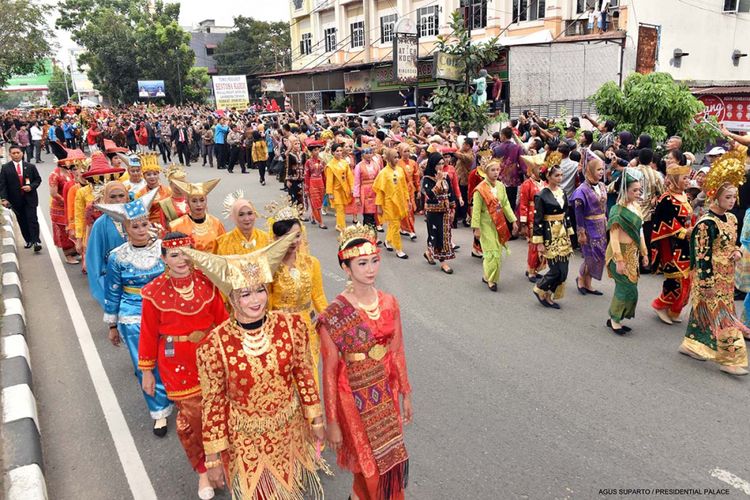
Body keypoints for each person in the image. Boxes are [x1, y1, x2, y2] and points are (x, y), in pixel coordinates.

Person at [188, 233, 329, 499]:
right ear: (231, 297)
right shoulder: (214, 345)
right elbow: (213, 403)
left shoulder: (291, 326)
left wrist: (316, 417)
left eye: (260, 290)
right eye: (245, 294)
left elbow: (304, 373)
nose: (256, 300)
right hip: (245, 440)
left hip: (290, 430)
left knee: (292, 490)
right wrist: (214, 459)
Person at [316, 224, 412, 500]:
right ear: (346, 268)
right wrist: (332, 421)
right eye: (362, 263)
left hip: (386, 390)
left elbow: (397, 351)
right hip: (351, 397)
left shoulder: (390, 302)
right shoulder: (334, 315)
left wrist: (405, 392)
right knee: (370, 465)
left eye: (374, 261)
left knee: (388, 458)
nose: (370, 269)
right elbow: (330, 372)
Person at [139, 232, 229, 499]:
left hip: (211, 356)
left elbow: (223, 321)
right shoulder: (154, 292)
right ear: (164, 258)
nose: (181, 259)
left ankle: (223, 461)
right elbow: (147, 333)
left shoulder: (207, 282)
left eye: (187, 252)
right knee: (193, 418)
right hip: (176, 361)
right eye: (175, 254)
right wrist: (147, 372)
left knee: (221, 412)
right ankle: (204, 471)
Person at [96, 190, 174, 436]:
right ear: (125, 228)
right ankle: (159, 411)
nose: (141, 229)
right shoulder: (118, 257)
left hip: (166, 314)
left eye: (144, 224)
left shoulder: (163, 250)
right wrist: (112, 326)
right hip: (134, 317)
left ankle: (179, 396)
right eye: (135, 226)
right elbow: (113, 291)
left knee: (172, 357)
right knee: (145, 365)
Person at [678, 160, 750, 376]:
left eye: (734, 196)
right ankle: (730, 359)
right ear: (715, 195)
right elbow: (702, 257)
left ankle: (691, 345)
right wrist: (707, 283)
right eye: (727, 197)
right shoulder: (706, 223)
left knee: (702, 312)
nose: (732, 201)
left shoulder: (731, 218)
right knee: (724, 317)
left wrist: (737, 251)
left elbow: (733, 243)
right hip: (709, 279)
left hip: (727, 277)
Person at [266, 201, 328, 389]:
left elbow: (318, 296)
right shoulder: (268, 268)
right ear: (275, 238)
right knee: (284, 381)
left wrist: (331, 323)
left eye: (297, 235)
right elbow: (265, 303)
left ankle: (311, 418)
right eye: (286, 236)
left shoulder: (312, 263)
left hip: (308, 328)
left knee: (309, 378)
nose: (293, 241)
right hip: (278, 330)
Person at [605, 168, 650, 334]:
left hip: (633, 252)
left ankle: (617, 318)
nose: (638, 193)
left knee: (631, 288)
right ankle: (614, 318)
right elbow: (614, 238)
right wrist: (619, 260)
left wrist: (644, 254)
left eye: (640, 190)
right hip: (619, 254)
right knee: (625, 288)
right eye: (635, 190)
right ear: (625, 190)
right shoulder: (616, 210)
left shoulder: (636, 208)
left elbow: (640, 232)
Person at [650, 159, 693, 325]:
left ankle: (674, 309)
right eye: (684, 178)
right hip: (671, 246)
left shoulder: (683, 196)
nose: (687, 181)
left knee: (686, 280)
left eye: (687, 178)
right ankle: (660, 305)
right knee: (675, 281)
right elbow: (663, 222)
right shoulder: (666, 199)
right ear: (674, 180)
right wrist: (683, 232)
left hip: (686, 244)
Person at [532, 164, 575, 309]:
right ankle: (540, 288)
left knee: (564, 271)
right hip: (549, 234)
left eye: (561, 175)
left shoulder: (562, 192)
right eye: (557, 175)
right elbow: (537, 220)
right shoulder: (541, 195)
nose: (560, 178)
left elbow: (566, 214)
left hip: (562, 234)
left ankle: (548, 293)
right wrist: (539, 242)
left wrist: (569, 233)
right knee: (556, 269)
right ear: (548, 177)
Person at [472, 159, 518, 291]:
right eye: (493, 170)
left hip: (499, 222)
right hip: (485, 223)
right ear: (486, 172)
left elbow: (506, 204)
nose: (496, 172)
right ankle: (491, 279)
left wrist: (513, 220)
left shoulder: (500, 186)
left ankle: (488, 275)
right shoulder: (480, 189)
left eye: (498, 170)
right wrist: (476, 228)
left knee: (498, 251)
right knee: (491, 252)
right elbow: (476, 210)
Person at [570, 154, 608, 295]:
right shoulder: (581, 191)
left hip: (602, 226)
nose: (601, 172)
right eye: (598, 169)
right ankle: (581, 278)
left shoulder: (602, 186)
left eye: (602, 169)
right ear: (590, 170)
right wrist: (581, 232)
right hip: (589, 227)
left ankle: (588, 282)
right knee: (590, 256)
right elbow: (578, 215)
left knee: (599, 256)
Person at [0, 145, 43, 252]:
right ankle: (28, 240)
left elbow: (38, 180)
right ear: (10, 155)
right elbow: (2, 185)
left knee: (32, 219)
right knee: (22, 220)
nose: (16, 155)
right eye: (13, 153)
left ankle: (36, 241)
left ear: (22, 153)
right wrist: (4, 199)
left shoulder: (30, 166)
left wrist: (31, 187)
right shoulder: (5, 168)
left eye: (17, 152)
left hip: (30, 198)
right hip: (15, 200)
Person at [422, 152, 456, 274]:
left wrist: (453, 208)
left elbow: (451, 193)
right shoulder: (427, 179)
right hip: (433, 212)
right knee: (436, 236)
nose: (441, 166)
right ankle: (443, 262)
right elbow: (430, 195)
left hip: (445, 211)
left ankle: (428, 253)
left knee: (445, 235)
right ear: (432, 165)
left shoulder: (446, 177)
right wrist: (438, 181)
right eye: (438, 164)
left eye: (442, 163)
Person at [49, 146, 85, 264]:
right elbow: (54, 193)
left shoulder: (69, 172)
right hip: (60, 208)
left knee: (74, 227)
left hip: (72, 205)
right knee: (65, 232)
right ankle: (68, 255)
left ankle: (74, 251)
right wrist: (68, 202)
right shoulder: (54, 175)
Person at [169, 179, 225, 253]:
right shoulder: (176, 226)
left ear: (206, 201)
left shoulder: (216, 223)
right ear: (187, 202)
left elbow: (224, 247)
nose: (199, 205)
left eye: (202, 200)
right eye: (194, 201)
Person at [374, 148, 410, 259]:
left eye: (397, 157)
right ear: (389, 158)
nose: (397, 159)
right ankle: (398, 249)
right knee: (395, 225)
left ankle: (388, 241)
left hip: (400, 201)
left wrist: (407, 200)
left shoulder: (400, 170)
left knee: (394, 224)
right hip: (389, 203)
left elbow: (404, 187)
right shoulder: (383, 173)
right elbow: (380, 191)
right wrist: (379, 206)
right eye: (395, 157)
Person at [518, 153, 546, 282]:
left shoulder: (544, 183)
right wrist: (523, 223)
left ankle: (535, 268)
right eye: (538, 167)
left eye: (541, 167)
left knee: (541, 244)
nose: (541, 170)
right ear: (532, 169)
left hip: (543, 217)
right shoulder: (527, 184)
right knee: (534, 245)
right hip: (532, 217)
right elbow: (523, 204)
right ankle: (531, 271)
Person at [134, 154, 171, 227]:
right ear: (144, 176)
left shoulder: (168, 191)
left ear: (158, 175)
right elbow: (138, 215)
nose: (152, 177)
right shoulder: (140, 194)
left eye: (155, 174)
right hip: (150, 226)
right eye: (148, 174)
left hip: (167, 224)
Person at [326, 143, 355, 232]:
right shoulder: (330, 165)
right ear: (332, 152)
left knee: (343, 207)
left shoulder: (344, 163)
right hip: (336, 190)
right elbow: (329, 180)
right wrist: (330, 193)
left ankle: (339, 224)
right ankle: (342, 226)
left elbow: (349, 176)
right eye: (337, 151)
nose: (339, 153)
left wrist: (352, 187)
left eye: (340, 151)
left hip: (344, 189)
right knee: (340, 208)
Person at [354, 146, 382, 233]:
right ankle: (370, 234)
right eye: (366, 153)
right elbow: (357, 182)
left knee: (374, 213)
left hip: (375, 190)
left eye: (370, 153)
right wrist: (357, 196)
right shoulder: (359, 166)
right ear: (362, 155)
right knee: (367, 214)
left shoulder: (376, 164)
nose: (369, 155)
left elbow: (379, 178)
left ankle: (370, 234)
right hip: (365, 191)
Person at [397, 143, 420, 240]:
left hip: (411, 189)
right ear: (400, 152)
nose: (406, 153)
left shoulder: (413, 163)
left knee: (411, 209)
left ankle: (405, 228)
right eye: (404, 151)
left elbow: (416, 177)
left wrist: (418, 189)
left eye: (408, 151)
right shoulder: (397, 163)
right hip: (401, 189)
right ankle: (411, 230)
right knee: (405, 209)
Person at [304, 140, 327, 228]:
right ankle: (320, 222)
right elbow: (306, 175)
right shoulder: (308, 162)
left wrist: (325, 185)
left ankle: (313, 216)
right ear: (311, 151)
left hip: (320, 183)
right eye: (315, 150)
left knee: (319, 202)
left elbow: (324, 174)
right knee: (315, 203)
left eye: (318, 150)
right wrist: (306, 188)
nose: (317, 152)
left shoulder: (322, 161)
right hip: (312, 183)